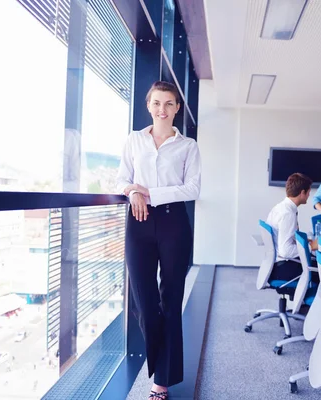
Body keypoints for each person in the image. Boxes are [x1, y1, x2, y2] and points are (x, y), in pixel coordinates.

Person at [116, 81, 201, 400]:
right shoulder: (134, 140)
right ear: (148, 105)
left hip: (173, 222)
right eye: (156, 103)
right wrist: (134, 191)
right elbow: (121, 178)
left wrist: (149, 192)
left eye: (168, 103)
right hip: (138, 222)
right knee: (143, 300)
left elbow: (192, 189)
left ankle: (160, 382)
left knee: (171, 299)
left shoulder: (188, 146)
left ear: (177, 107)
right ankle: (160, 359)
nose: (162, 109)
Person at [266, 173, 318, 283]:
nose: (309, 195)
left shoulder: (280, 207)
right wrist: (310, 246)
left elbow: (283, 237)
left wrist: (303, 242)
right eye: (308, 192)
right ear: (302, 193)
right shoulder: (288, 214)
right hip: (283, 267)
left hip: (276, 264)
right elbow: (285, 251)